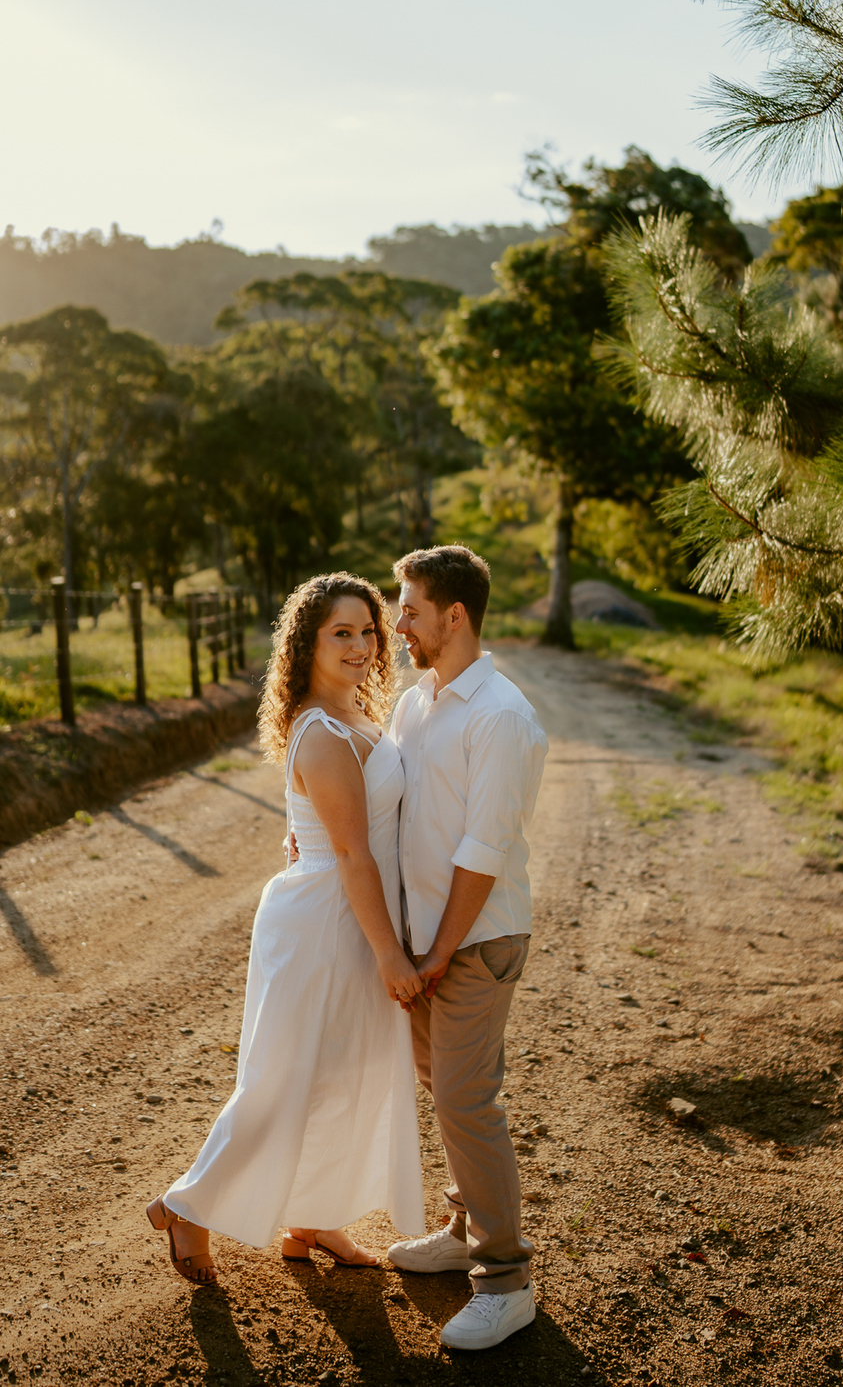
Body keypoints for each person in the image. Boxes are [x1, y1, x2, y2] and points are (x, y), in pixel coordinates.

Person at [145, 573, 425, 1284]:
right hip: (328, 924)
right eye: (343, 633)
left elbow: (340, 827)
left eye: (368, 631)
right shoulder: (325, 731)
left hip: (344, 913)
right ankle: (189, 1205)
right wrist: (391, 953)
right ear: (307, 645)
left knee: (345, 1070)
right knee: (287, 1076)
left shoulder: (357, 712)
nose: (362, 645)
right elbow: (355, 853)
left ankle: (313, 1214)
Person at [385, 545, 547, 1351]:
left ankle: (505, 1279)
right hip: (425, 940)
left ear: (455, 616)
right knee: (440, 1087)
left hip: (475, 941)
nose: (397, 622)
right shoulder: (420, 701)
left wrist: (440, 952)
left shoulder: (501, 715)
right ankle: (461, 1228)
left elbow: (483, 850)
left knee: (466, 1101)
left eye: (409, 608)